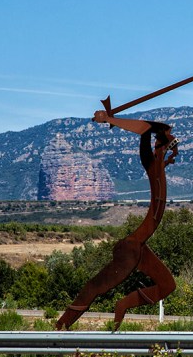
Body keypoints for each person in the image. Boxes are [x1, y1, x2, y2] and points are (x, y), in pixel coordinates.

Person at [55, 110, 178, 331]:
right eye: (163, 141)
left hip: (140, 245)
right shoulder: (150, 163)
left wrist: (164, 135)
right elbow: (145, 131)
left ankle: (122, 306)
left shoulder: (160, 165)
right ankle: (63, 324)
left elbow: (159, 132)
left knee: (168, 285)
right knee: (97, 286)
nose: (169, 143)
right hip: (131, 248)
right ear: (156, 145)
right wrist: (111, 119)